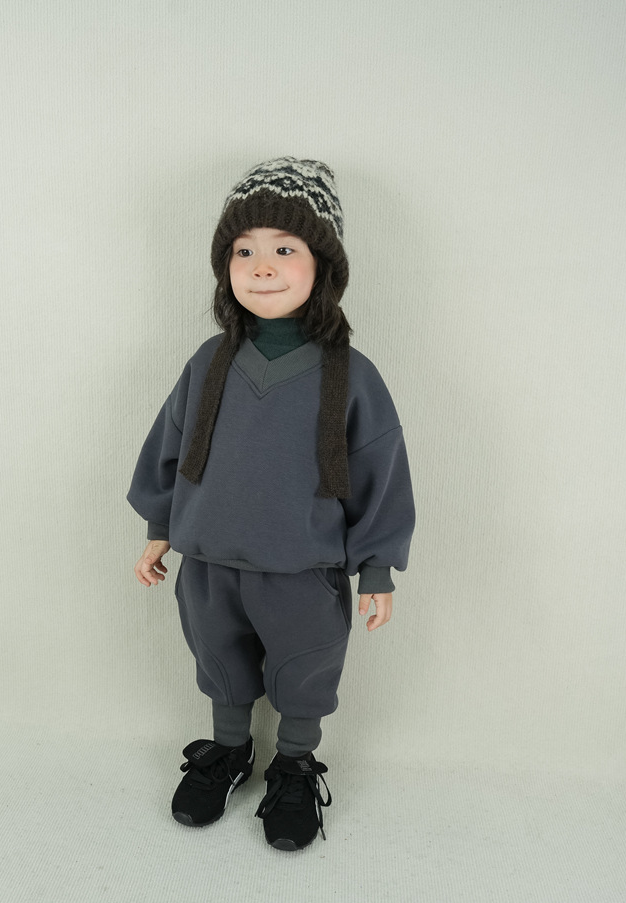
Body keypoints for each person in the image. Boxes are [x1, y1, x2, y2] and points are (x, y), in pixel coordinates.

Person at [128, 157, 415, 851]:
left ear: (322, 267)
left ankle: (293, 765)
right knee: (219, 659)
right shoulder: (209, 362)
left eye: (285, 250)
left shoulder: (350, 375)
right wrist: (160, 526)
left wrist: (377, 567)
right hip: (209, 563)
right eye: (243, 251)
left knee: (305, 665)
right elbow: (172, 446)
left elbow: (380, 470)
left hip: (302, 569)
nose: (261, 267)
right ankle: (229, 752)